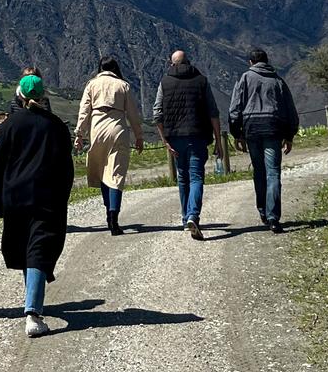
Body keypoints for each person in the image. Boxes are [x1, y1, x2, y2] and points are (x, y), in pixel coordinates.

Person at [0, 74, 74, 337]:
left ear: (20, 95)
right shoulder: (57, 127)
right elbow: (67, 169)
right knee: (39, 249)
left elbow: (0, 167)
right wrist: (64, 197)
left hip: (15, 197)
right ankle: (33, 313)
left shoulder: (9, 126)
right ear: (43, 95)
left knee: (25, 249)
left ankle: (32, 304)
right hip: (47, 197)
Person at [152, 50, 222, 241]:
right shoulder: (201, 81)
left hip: (175, 138)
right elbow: (213, 112)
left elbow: (157, 113)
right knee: (196, 177)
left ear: (171, 64)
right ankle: (193, 216)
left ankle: (185, 219)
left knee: (183, 178)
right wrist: (218, 140)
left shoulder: (165, 82)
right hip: (198, 136)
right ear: (189, 62)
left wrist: (165, 140)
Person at [227, 48, 299, 233]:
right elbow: (290, 110)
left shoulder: (244, 79)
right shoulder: (277, 81)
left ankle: (263, 212)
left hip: (252, 130)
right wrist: (289, 135)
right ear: (267, 61)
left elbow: (235, 109)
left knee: (259, 172)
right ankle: (274, 217)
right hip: (273, 130)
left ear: (251, 62)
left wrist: (237, 134)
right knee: (273, 173)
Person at [74, 57, 144, 235]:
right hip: (118, 127)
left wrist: (79, 134)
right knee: (116, 173)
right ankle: (114, 217)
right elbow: (133, 114)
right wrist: (139, 136)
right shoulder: (123, 85)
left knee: (102, 170)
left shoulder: (92, 84)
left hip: (97, 127)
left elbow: (84, 111)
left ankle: (108, 212)